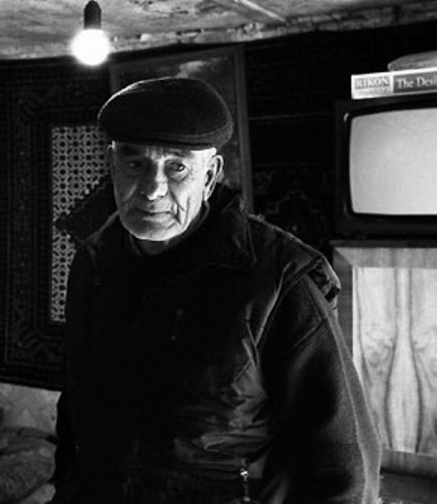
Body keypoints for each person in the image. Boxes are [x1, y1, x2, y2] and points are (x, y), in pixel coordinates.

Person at [52, 77, 381, 503]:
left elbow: (342, 463)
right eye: (135, 164)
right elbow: (76, 411)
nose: (152, 189)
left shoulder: (279, 279)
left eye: (177, 168)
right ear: (112, 165)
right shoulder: (93, 262)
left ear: (210, 175)